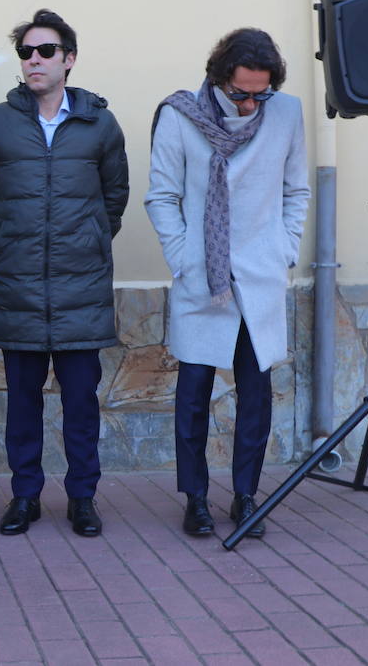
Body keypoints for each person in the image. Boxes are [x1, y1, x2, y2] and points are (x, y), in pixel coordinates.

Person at [0, 8, 128, 538]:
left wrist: (86, 242)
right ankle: (25, 497)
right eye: (26, 52)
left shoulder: (100, 125)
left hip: (82, 289)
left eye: (45, 51)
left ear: (69, 60)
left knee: (82, 402)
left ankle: (83, 497)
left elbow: (114, 199)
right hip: (19, 290)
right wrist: (13, 245)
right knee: (23, 405)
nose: (33, 60)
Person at [144, 27, 309, 538]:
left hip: (259, 276)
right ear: (219, 79)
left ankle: (245, 495)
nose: (249, 104)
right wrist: (185, 258)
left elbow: (296, 189)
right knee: (192, 393)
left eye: (261, 94)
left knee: (256, 395)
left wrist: (283, 249)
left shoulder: (285, 113)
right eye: (240, 93)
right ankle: (195, 498)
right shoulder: (179, 115)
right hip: (203, 276)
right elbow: (161, 197)